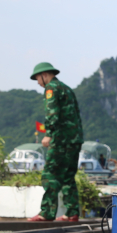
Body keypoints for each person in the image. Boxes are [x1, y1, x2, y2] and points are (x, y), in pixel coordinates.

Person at [28, 62, 83, 222]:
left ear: (44, 75)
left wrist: (49, 134)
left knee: (50, 174)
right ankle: (71, 213)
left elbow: (52, 113)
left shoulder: (51, 88)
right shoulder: (67, 89)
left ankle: (46, 213)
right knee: (68, 176)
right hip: (74, 139)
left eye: (37, 78)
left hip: (61, 140)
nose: (38, 82)